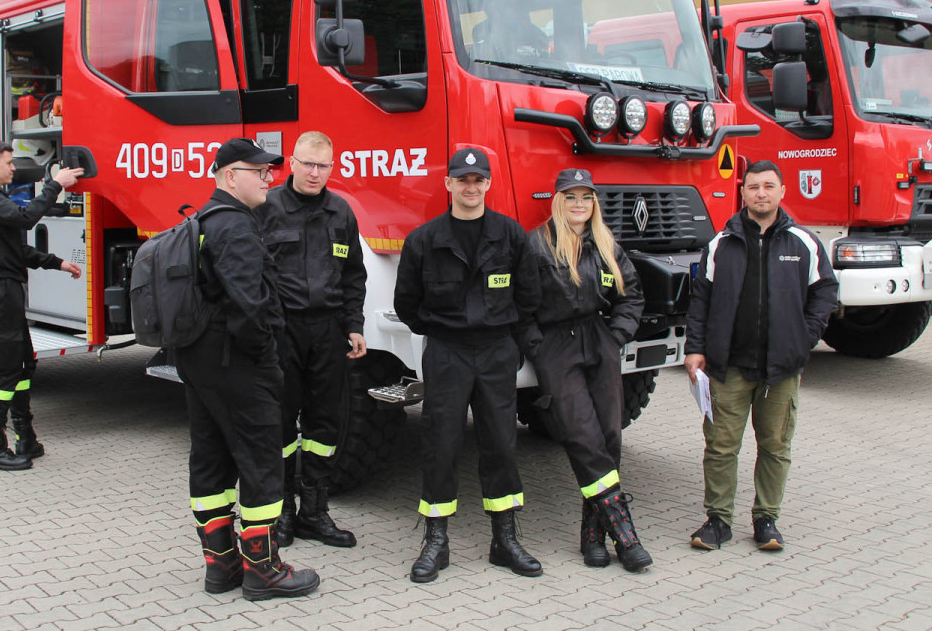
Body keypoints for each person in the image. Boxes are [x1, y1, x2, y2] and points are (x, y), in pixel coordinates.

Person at [175, 138, 319, 601]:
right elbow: (250, 305)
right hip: (238, 362)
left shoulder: (205, 219)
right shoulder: (235, 225)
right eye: (258, 171)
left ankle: (221, 567)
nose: (268, 178)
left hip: (203, 360)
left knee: (211, 460)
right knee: (260, 461)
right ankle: (264, 570)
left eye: (269, 170)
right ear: (229, 176)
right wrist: (267, 361)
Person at [393, 147, 542, 583]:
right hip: (447, 351)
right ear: (449, 184)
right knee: (441, 443)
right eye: (462, 180)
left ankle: (505, 540)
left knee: (501, 444)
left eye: (478, 181)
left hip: (496, 350)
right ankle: (435, 541)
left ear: (488, 184)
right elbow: (407, 304)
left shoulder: (510, 235)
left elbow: (529, 296)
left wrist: (507, 339)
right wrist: (444, 332)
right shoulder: (424, 239)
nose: (470, 187)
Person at [684, 160, 838, 551]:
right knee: (720, 447)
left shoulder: (803, 243)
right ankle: (718, 521)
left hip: (780, 369)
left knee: (775, 447)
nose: (761, 194)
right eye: (753, 187)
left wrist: (805, 337)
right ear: (743, 193)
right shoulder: (721, 244)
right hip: (728, 366)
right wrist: (695, 348)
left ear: (782, 191)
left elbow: (825, 292)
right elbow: (700, 300)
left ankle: (766, 520)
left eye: (769, 186)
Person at [520, 168, 653, 572]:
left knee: (610, 435)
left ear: (594, 203)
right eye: (571, 197)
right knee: (582, 436)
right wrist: (537, 347)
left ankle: (593, 536)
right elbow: (519, 305)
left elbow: (632, 296)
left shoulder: (606, 243)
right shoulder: (537, 244)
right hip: (556, 345)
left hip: (598, 340)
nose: (579, 204)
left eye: (586, 197)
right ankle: (625, 535)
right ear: (558, 201)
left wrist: (616, 336)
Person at [257, 131, 366, 549]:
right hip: (282, 331)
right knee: (281, 422)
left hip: (329, 332)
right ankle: (283, 511)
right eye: (307, 164)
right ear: (292, 163)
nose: (315, 173)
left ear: (332, 168)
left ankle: (315, 513)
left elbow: (354, 275)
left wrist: (354, 325)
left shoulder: (341, 212)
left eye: (323, 166)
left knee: (325, 424)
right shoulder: (266, 207)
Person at [0, 139, 83, 471]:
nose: (13, 168)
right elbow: (27, 217)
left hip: (5, 289)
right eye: (8, 162)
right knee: (6, 369)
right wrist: (54, 185)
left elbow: (14, 251)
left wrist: (56, 262)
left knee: (23, 364)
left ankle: (25, 436)